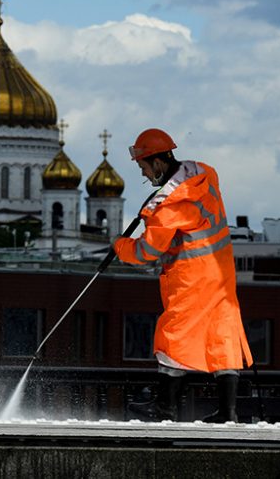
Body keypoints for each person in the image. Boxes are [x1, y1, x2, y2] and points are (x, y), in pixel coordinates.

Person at [113, 128, 253, 423]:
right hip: (222, 271)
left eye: (143, 167)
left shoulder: (168, 208)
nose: (144, 174)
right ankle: (228, 412)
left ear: (158, 163)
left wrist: (120, 246)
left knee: (173, 334)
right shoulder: (204, 175)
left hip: (190, 276)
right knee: (221, 333)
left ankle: (165, 408)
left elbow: (147, 252)